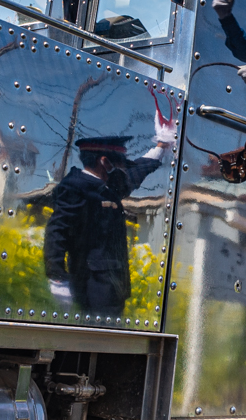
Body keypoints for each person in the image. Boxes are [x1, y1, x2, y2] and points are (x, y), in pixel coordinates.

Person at [44, 116, 174, 316]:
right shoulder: (75, 187)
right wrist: (57, 276)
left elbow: (137, 171)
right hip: (92, 289)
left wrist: (162, 146)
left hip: (112, 289)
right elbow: (57, 231)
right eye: (120, 161)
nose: (124, 166)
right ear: (104, 162)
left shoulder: (107, 186)